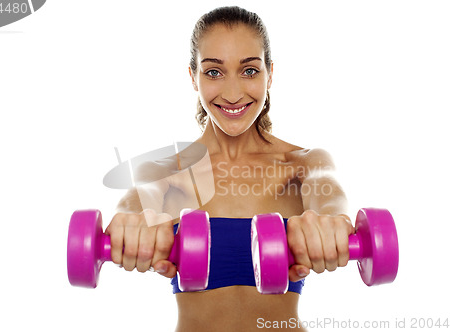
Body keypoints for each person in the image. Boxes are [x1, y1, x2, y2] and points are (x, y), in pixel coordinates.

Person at [105, 6, 354, 331]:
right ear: (193, 76)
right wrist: (133, 224)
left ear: (270, 73)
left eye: (249, 71)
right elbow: (135, 204)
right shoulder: (164, 172)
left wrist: (332, 226)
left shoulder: (306, 164)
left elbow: (332, 205)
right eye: (214, 72)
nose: (233, 93)